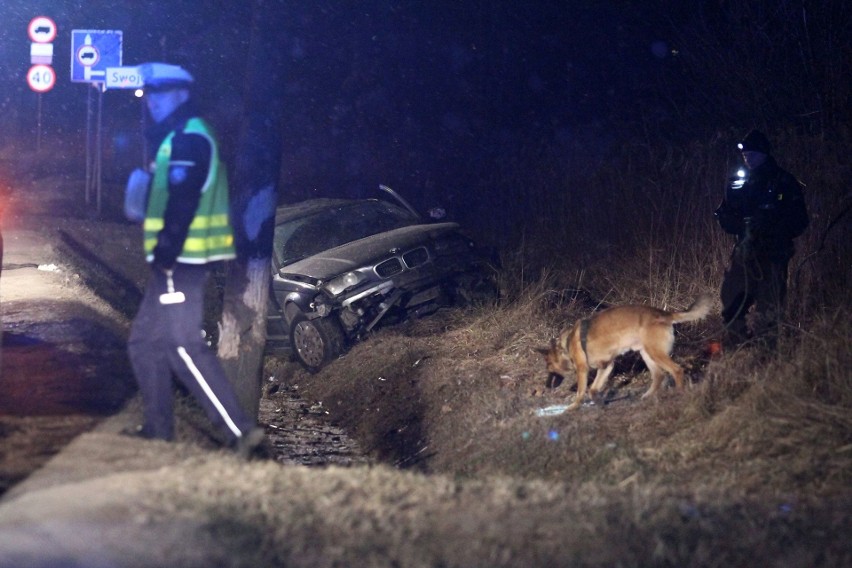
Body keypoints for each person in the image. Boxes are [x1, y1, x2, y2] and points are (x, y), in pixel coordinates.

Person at [125, 62, 263, 457]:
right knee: (145, 344)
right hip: (175, 261)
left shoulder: (188, 139)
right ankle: (158, 430)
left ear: (182, 94)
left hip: (181, 261)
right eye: (149, 94)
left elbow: (183, 204)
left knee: (183, 346)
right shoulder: (178, 137)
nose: (152, 101)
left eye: (161, 93)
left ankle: (242, 434)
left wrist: (166, 253)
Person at [714, 129, 809, 349]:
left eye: (753, 153)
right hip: (744, 252)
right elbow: (725, 213)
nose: (747, 157)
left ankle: (767, 356)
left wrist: (771, 228)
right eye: (745, 153)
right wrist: (737, 224)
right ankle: (738, 345)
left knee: (769, 307)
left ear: (764, 153)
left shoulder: (783, 181)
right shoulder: (740, 182)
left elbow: (800, 220)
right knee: (732, 298)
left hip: (774, 254)